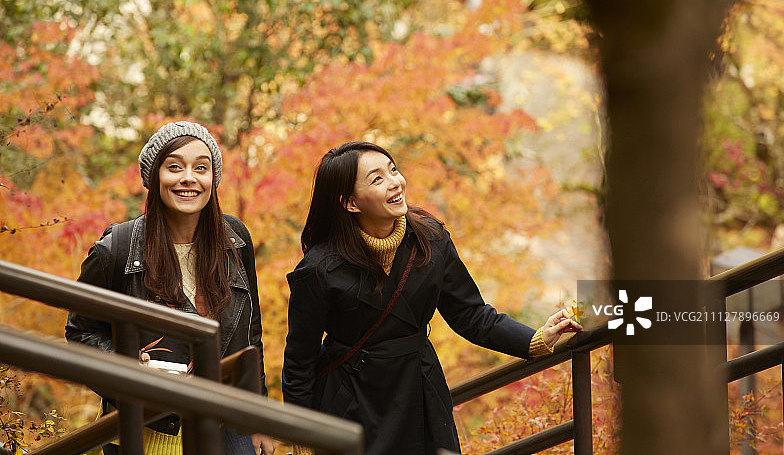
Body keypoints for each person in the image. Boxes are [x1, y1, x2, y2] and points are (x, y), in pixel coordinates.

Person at [282, 142, 582, 455]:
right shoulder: (318, 269)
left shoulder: (429, 239)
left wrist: (534, 339)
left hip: (420, 392)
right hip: (351, 403)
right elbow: (299, 362)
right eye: (377, 179)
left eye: (393, 170)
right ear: (350, 203)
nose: (396, 182)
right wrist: (302, 437)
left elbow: (470, 315)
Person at [65, 121, 274, 455]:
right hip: (146, 428)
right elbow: (80, 333)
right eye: (174, 166)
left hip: (225, 423)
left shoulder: (235, 238)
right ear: (154, 177)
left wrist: (259, 416)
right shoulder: (116, 249)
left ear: (213, 179)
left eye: (200, 168)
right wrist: (123, 362)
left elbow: (251, 333)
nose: (188, 177)